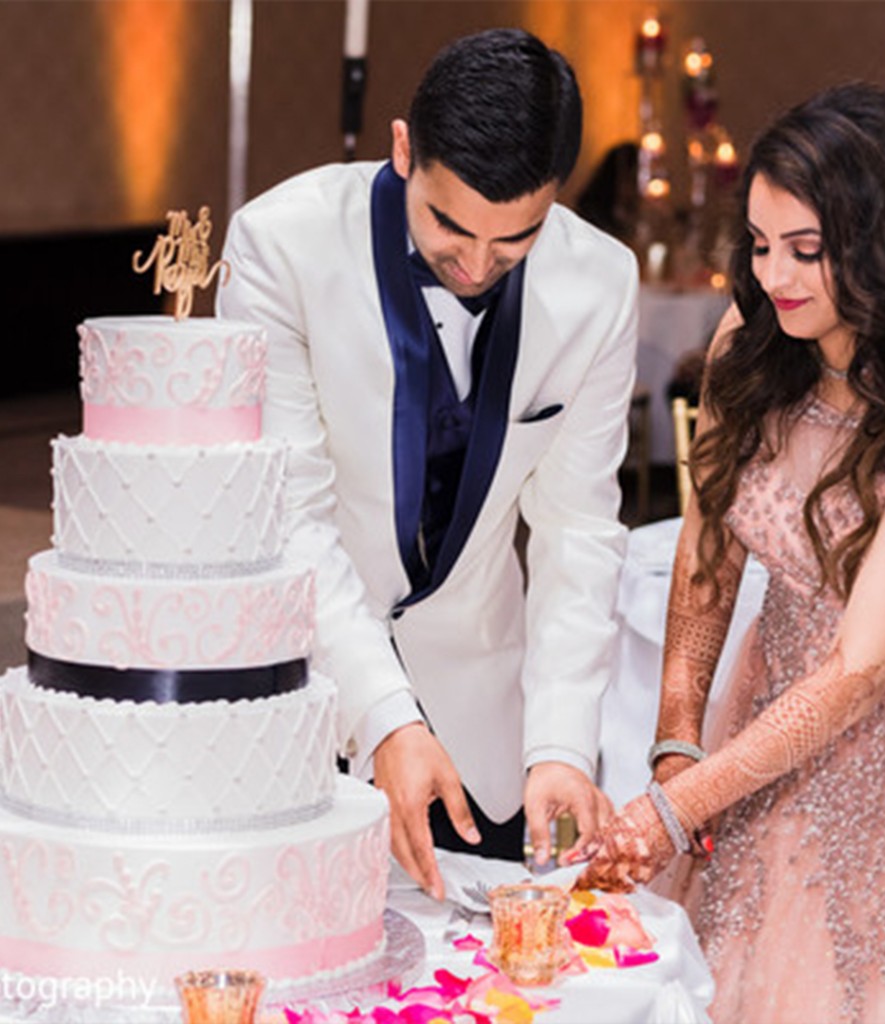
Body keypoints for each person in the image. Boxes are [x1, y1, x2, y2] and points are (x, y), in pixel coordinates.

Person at [574, 81, 885, 1023]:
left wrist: (677, 808)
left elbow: (860, 669)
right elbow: (708, 549)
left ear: (883, 251)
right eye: (761, 243)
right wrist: (675, 743)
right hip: (775, 723)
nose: (775, 275)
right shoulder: (757, 340)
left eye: (808, 252)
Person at [216, 28, 637, 901]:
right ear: (404, 149)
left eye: (514, 240)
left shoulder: (602, 284)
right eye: (450, 225)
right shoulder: (278, 247)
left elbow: (578, 532)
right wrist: (383, 717)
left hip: (484, 746)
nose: (478, 265)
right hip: (298, 712)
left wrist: (559, 742)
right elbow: (290, 517)